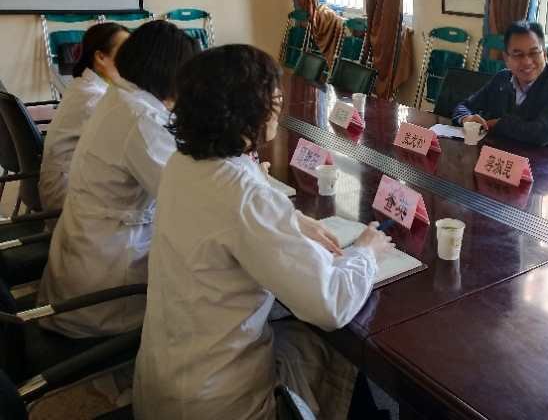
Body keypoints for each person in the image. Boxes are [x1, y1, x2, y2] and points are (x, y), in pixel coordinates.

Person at [133, 44, 393, 420]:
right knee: (333, 346)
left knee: (298, 333)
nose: (279, 106)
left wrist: (292, 221)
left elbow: (227, 215)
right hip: (217, 402)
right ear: (249, 108)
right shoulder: (244, 195)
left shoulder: (183, 162)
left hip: (169, 377)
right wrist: (367, 251)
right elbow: (329, 304)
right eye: (275, 97)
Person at [38, 21, 199, 337]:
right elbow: (187, 197)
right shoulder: (140, 117)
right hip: (108, 291)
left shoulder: (121, 98)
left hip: (90, 258)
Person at [38, 22, 130, 211]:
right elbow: (125, 148)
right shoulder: (94, 97)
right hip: (66, 198)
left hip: (69, 183)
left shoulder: (85, 85)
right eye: (126, 51)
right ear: (101, 57)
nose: (133, 58)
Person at [452, 22, 548, 153]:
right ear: (506, 58)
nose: (527, 62)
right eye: (518, 54)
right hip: (511, 154)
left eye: (534, 53)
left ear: (544, 54)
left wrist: (497, 123)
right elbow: (464, 106)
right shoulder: (502, 78)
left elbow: (539, 134)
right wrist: (466, 118)